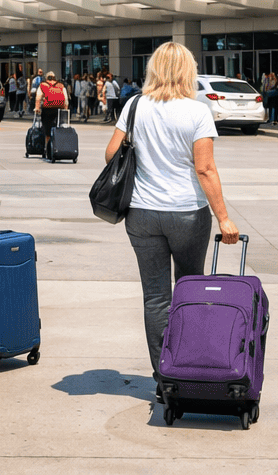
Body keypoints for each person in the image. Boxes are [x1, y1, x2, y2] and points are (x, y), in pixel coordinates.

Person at [103, 41, 239, 396]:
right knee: (190, 290)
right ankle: (190, 367)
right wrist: (224, 218)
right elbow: (205, 169)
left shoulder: (134, 105)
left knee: (155, 297)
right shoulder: (197, 112)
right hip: (187, 214)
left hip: (142, 214)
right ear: (188, 72)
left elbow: (111, 154)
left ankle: (163, 375)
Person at [35, 71, 68, 158]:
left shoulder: (43, 85)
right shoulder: (60, 85)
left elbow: (38, 97)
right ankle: (58, 148)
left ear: (46, 78)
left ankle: (48, 150)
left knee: (47, 131)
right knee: (59, 129)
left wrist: (37, 108)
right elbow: (66, 99)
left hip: (47, 110)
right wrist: (65, 109)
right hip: (59, 110)